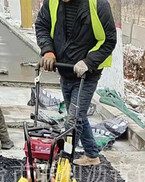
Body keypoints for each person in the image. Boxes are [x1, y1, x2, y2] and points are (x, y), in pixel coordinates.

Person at [35, 0, 116, 166]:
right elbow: (42, 26)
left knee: (73, 121)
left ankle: (63, 162)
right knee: (78, 115)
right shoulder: (52, 2)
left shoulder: (98, 5)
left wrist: (89, 61)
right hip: (65, 70)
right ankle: (92, 155)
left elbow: (109, 40)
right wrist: (48, 51)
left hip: (87, 73)